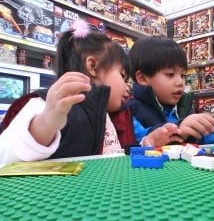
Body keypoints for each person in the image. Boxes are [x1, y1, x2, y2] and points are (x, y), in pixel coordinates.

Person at [0, 20, 180, 164]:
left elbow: (114, 156)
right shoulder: (48, 104)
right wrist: (46, 123)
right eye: (123, 76)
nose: (127, 86)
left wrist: (145, 144)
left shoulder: (110, 115)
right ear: (93, 66)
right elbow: (6, 153)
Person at [127, 36, 214, 145]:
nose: (180, 82)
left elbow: (208, 133)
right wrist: (179, 130)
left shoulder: (183, 108)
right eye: (170, 74)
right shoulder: (131, 111)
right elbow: (139, 141)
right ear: (142, 78)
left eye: (183, 75)